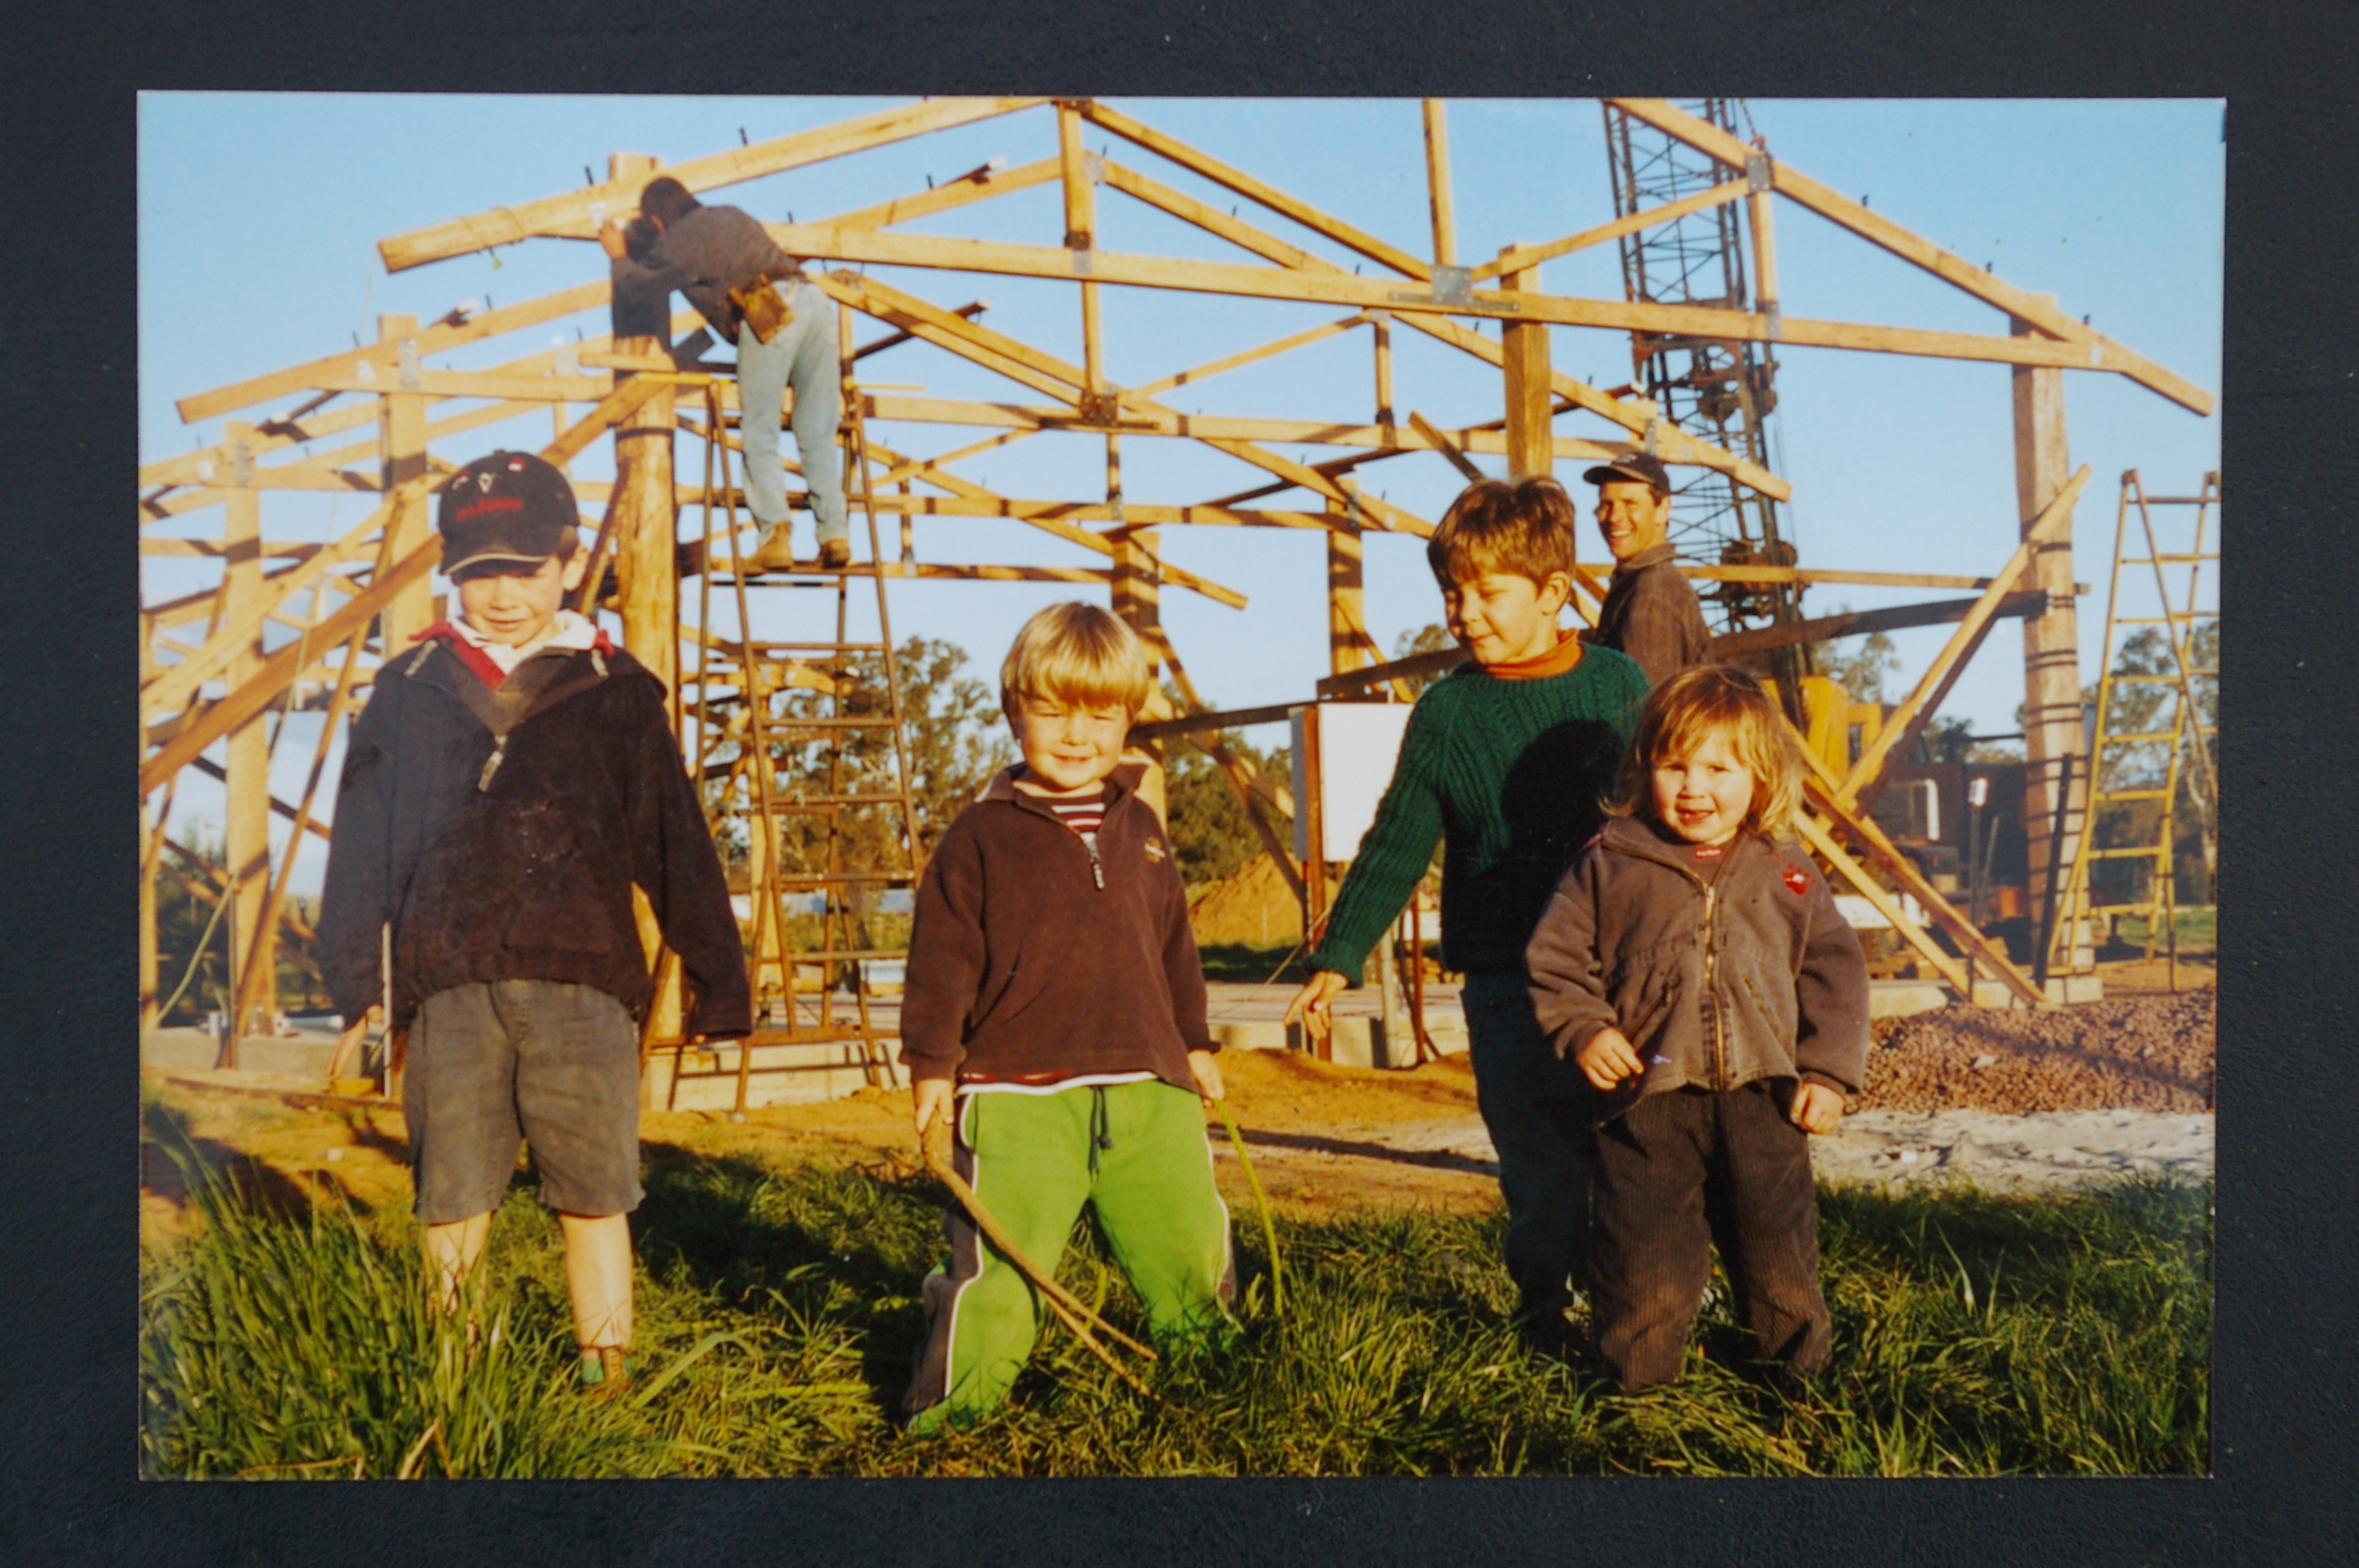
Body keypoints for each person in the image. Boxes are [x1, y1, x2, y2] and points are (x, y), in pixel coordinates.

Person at [317, 451, 751, 1395]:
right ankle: (453, 1373)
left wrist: (720, 976)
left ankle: (607, 1374)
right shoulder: (411, 685)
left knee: (594, 1188)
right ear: (452, 573)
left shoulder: (614, 688)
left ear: (566, 562)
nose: (503, 594)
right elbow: (360, 839)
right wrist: (353, 974)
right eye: (479, 572)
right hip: (448, 981)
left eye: (524, 568)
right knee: (453, 1193)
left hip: (584, 982)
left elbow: (672, 837)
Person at [1281, 477, 1650, 1345]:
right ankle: (1542, 1314)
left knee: (1631, 1152)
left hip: (1613, 977)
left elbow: (1657, 812)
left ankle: (1638, 1308)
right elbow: (1398, 837)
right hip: (1504, 983)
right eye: (1452, 592)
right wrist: (1337, 954)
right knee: (1536, 1161)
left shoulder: (1616, 684)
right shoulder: (1446, 711)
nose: (1465, 612)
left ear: (1553, 593)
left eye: (1488, 592)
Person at [898, 603, 1234, 1432]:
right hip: (1018, 1094)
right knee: (1002, 1267)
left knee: (1186, 1244)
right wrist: (932, 1069)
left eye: (1100, 712)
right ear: (1014, 710)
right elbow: (940, 961)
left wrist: (1193, 1043)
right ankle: (953, 1418)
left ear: (1127, 718)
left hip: (1149, 1087)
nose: (1076, 733)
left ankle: (1218, 1391)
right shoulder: (977, 837)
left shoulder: (1143, 828)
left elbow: (1172, 946)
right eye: (1052, 710)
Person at [1524, 665, 1870, 1392]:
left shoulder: (1787, 871)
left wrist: (1829, 1074)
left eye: (1719, 767)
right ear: (1642, 766)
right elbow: (1556, 960)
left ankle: (1797, 1389)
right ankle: (1638, 1394)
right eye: (1673, 765)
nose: (1694, 787)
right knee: (1644, 1262)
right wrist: (1584, 1029)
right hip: (1646, 1104)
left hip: (1764, 1100)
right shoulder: (1609, 864)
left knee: (1778, 1257)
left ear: (1761, 776)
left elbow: (1836, 974)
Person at [602, 175, 851, 572]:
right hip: (816, 304)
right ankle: (835, 534)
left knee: (759, 430)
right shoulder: (729, 215)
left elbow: (638, 286)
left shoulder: (682, 238)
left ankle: (774, 536)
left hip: (767, 308)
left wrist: (617, 254)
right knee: (816, 429)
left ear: (658, 220)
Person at [1579, 453, 1713, 685]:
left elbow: (1642, 707)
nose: (1614, 517)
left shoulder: (1652, 592)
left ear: (1663, 509)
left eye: (1630, 504)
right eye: (1606, 504)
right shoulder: (1646, 582)